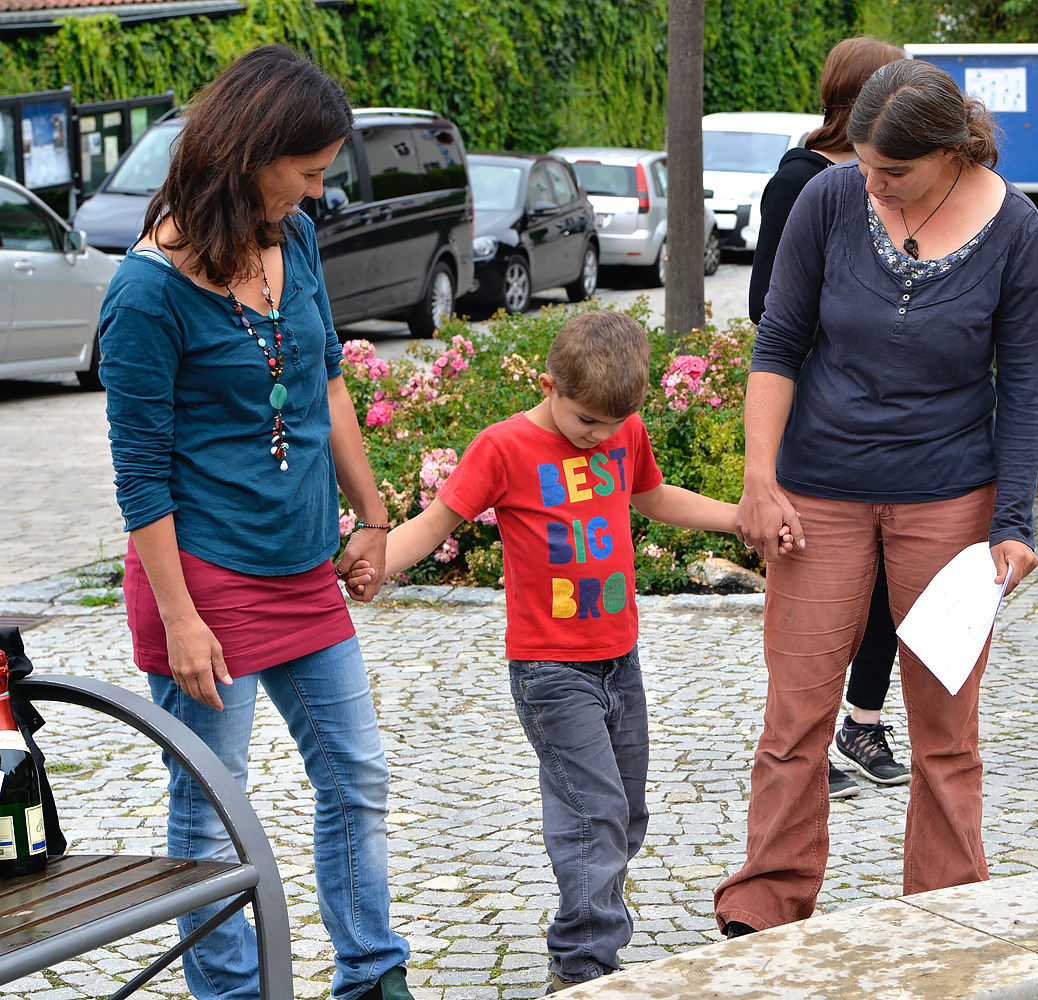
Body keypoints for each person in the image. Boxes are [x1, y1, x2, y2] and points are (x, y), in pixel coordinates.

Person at [98, 47, 412, 1000]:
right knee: (210, 813)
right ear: (250, 152)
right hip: (204, 579)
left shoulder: (298, 241)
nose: (319, 191)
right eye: (309, 171)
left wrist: (370, 513)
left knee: (356, 775)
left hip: (301, 565)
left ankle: (371, 975)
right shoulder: (147, 294)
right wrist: (182, 619)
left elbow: (323, 381)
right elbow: (140, 477)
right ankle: (229, 994)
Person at [715, 59, 1038, 936]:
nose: (872, 183)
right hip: (817, 492)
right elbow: (779, 341)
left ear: (948, 152)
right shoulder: (830, 202)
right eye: (864, 163)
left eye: (892, 173)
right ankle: (765, 905)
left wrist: (1013, 522)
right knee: (796, 714)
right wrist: (760, 479)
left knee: (945, 726)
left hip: (949, 498)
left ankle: (946, 910)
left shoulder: (1017, 231)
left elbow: (1022, 389)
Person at [356, 312, 785, 993]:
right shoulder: (503, 448)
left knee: (626, 812)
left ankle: (590, 929)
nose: (602, 437)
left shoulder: (623, 431)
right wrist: (377, 566)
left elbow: (650, 496)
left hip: (621, 659)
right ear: (551, 385)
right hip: (550, 670)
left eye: (615, 425)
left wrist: (738, 515)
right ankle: (583, 967)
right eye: (588, 421)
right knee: (594, 814)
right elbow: (437, 524)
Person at [748, 35, 909, 800]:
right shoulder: (802, 182)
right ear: (860, 96)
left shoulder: (911, 187)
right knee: (817, 595)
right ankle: (803, 744)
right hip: (817, 419)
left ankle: (864, 718)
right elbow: (766, 310)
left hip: (893, 434)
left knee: (887, 586)